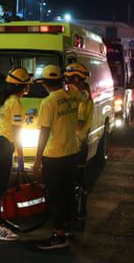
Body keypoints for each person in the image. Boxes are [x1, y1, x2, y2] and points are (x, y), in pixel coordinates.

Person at [33, 65, 82, 249]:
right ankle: (67, 226)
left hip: (54, 155)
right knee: (68, 192)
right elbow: (84, 93)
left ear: (44, 83)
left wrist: (37, 161)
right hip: (72, 152)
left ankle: (59, 235)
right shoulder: (73, 95)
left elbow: (43, 133)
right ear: (61, 80)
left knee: (55, 196)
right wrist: (69, 82)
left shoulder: (48, 102)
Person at [0, 67, 31, 241]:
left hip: (0, 145)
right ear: (22, 86)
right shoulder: (15, 102)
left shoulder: (6, 100)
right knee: (0, 187)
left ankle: (0, 223)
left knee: (2, 186)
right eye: (27, 83)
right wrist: (21, 156)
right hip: (5, 146)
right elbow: (17, 131)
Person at [64, 62, 93, 232]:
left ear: (76, 78)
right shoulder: (81, 94)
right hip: (79, 144)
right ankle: (78, 214)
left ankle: (76, 215)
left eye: (69, 79)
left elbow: (79, 123)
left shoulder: (82, 97)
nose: (66, 82)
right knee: (78, 179)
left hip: (77, 145)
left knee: (75, 181)